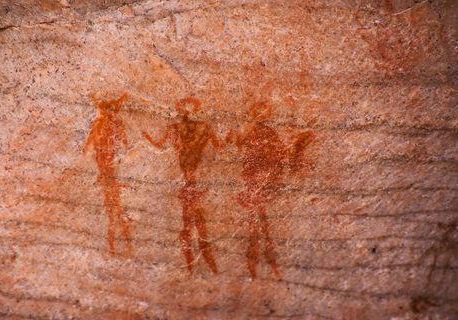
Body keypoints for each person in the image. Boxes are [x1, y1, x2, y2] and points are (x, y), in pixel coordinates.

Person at [228, 101, 314, 279]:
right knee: (258, 225)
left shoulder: (266, 133)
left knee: (260, 225)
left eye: (262, 112)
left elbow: (279, 155)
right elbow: (245, 153)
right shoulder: (252, 133)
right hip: (254, 183)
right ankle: (260, 265)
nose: (259, 115)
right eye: (257, 112)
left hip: (260, 183)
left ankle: (262, 264)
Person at [142, 97, 220, 273]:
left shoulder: (190, 127)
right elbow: (218, 145)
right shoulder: (196, 128)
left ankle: (196, 263)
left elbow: (159, 144)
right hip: (189, 179)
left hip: (190, 178)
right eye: (186, 107)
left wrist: (147, 138)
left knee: (192, 223)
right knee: (194, 223)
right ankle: (198, 263)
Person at [84, 93, 132, 255]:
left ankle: (118, 241)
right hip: (106, 164)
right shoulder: (107, 123)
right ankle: (118, 240)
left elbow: (88, 145)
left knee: (113, 204)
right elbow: (123, 141)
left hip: (107, 164)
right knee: (114, 204)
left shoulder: (104, 122)